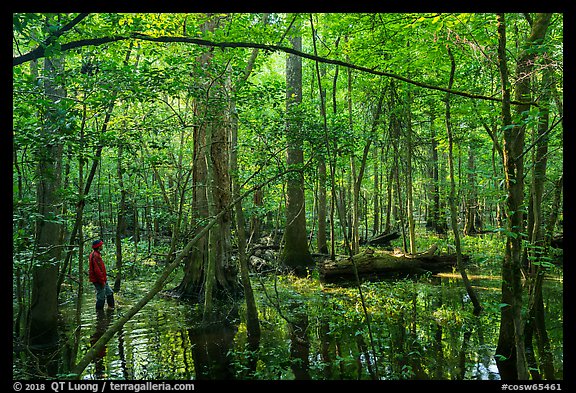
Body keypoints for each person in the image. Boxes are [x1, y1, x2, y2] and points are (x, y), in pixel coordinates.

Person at [88, 239, 115, 311]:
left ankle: (111, 309)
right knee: (101, 296)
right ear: (98, 246)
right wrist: (102, 281)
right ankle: (99, 313)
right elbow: (97, 271)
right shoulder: (95, 256)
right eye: (101, 245)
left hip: (101, 279)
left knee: (109, 293)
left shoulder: (95, 254)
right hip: (99, 280)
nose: (102, 246)